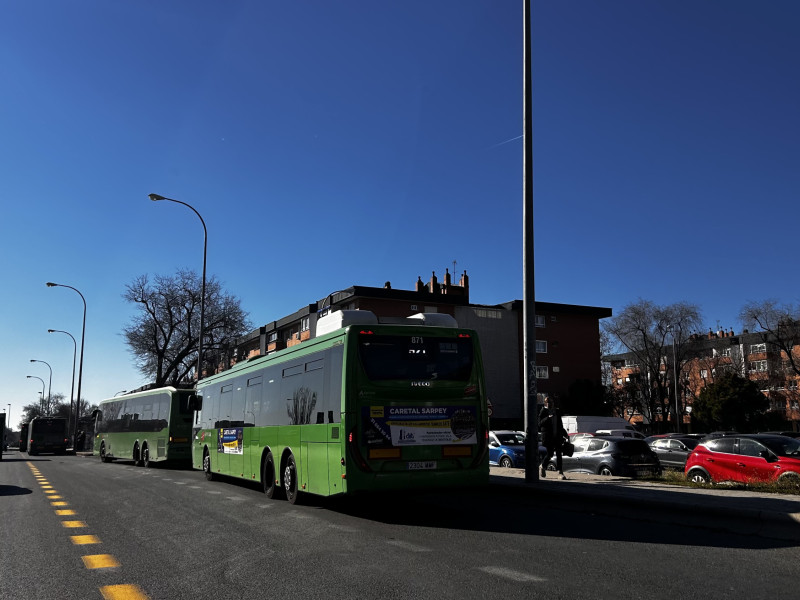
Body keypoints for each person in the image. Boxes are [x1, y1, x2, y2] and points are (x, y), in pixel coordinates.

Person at [539, 405, 568, 479]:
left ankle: (560, 472)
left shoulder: (557, 412)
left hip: (557, 436)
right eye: (548, 403)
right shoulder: (543, 411)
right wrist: (548, 418)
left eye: (551, 403)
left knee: (559, 454)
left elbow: (560, 425)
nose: (550, 405)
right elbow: (540, 423)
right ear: (545, 404)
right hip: (549, 437)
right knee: (550, 454)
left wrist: (565, 434)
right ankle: (542, 466)